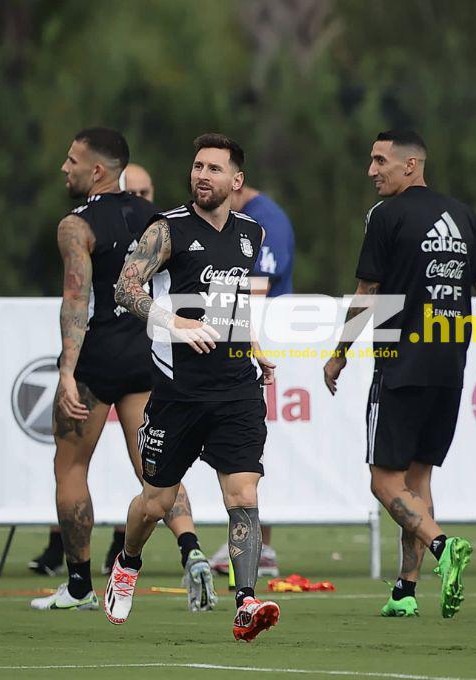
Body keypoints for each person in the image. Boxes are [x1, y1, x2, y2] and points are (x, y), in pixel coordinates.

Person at [323, 130, 476, 618]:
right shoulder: (464, 215)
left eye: (379, 160)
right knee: (417, 478)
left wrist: (340, 352)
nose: (371, 170)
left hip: (401, 361)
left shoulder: (385, 215)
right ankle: (406, 590)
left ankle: (443, 545)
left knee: (384, 483)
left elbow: (368, 292)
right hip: (450, 363)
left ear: (410, 165)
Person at [29, 128, 213, 613]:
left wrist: (66, 372)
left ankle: (78, 586)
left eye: (71, 160)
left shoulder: (76, 225)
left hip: (96, 360)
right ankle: (191, 548)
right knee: (155, 468)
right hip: (145, 356)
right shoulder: (156, 218)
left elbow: (77, 299)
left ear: (96, 170)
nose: (64, 168)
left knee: (71, 467)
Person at [105, 133, 279, 641]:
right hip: (178, 392)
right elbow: (124, 287)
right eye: (197, 166)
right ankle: (128, 562)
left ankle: (245, 602)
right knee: (156, 502)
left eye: (214, 168)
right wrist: (173, 322)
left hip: (236, 388)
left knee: (243, 494)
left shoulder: (252, 234)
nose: (202, 175)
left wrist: (253, 347)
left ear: (236, 180)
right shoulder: (168, 229)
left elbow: (231, 302)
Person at [208, 181, 296, 578]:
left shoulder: (265, 220)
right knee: (250, 450)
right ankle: (258, 545)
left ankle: (263, 549)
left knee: (253, 449)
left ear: (236, 184)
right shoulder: (248, 218)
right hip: (248, 342)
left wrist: (227, 330)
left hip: (263, 343)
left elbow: (257, 287)